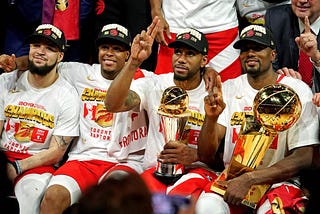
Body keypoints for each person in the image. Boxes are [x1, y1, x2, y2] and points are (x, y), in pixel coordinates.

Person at [195, 24, 320, 213]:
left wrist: (251, 179)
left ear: (273, 55)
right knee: (206, 206)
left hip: (278, 182)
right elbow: (205, 154)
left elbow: (304, 157)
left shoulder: (297, 89)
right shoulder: (228, 88)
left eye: (258, 48)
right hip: (232, 179)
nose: (250, 53)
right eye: (245, 49)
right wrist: (211, 119)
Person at [37, 23, 154, 214]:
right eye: (104, 47)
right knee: (53, 196)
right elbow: (42, 62)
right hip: (84, 159)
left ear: (128, 54)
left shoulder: (147, 79)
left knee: (113, 203)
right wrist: (15, 63)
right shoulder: (78, 73)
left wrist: (206, 71)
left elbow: (179, 80)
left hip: (125, 162)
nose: (109, 53)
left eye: (117, 49)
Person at [104, 24, 219, 199]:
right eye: (178, 52)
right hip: (154, 171)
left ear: (204, 60)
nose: (181, 59)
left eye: (190, 54)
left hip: (196, 172)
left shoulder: (213, 95)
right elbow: (112, 105)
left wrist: (195, 155)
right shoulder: (154, 84)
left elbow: (217, 154)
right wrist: (133, 62)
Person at [0, 24, 80, 214]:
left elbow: (56, 152)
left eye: (49, 48)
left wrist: (16, 167)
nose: (40, 52)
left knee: (31, 196)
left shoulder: (67, 95)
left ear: (60, 56)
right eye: (36, 45)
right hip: (3, 155)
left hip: (36, 164)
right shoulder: (7, 81)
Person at [150, 0, 242, 82]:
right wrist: (156, 12)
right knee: (168, 94)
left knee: (227, 93)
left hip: (222, 26)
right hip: (175, 25)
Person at [265, 0, 320, 91]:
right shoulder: (276, 19)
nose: (302, 1)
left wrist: (317, 57)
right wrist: (279, 78)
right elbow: (269, 67)